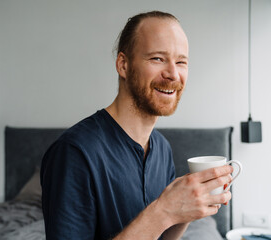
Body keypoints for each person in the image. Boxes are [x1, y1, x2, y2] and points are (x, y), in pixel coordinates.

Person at [40, 11, 233, 240]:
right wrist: (163, 211)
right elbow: (159, 217)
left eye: (181, 62)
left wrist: (186, 209)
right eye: (157, 59)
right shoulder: (75, 152)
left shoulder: (161, 148)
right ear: (123, 65)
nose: (173, 74)